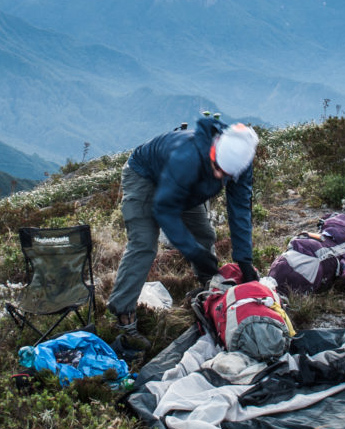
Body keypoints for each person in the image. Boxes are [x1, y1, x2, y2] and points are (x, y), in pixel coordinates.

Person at [107, 117, 259, 352]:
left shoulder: (240, 164)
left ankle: (210, 289)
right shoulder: (187, 157)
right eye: (217, 167)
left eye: (225, 173)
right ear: (214, 151)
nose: (220, 176)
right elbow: (164, 208)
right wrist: (192, 251)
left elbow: (239, 210)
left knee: (204, 234)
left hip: (186, 185)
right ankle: (123, 319)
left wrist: (244, 260)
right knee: (144, 244)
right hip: (144, 174)